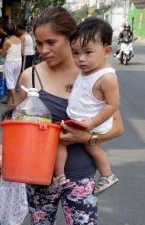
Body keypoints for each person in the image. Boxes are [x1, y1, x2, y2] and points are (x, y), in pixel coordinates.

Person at [16, 7, 123, 225]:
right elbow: (16, 124)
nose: (44, 50)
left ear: (70, 38)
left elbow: (116, 126)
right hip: (37, 176)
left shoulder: (90, 73)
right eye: (39, 43)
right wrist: (1, 162)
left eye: (52, 42)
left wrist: (84, 136)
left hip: (79, 175)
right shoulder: (29, 76)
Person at [55, 17, 120, 194]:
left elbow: (112, 105)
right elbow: (87, 88)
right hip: (81, 119)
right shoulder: (88, 71)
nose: (80, 59)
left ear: (107, 51)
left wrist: (92, 123)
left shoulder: (107, 77)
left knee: (82, 144)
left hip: (93, 123)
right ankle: (60, 176)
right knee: (66, 142)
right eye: (75, 53)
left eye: (88, 52)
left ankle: (106, 174)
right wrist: (74, 87)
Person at [1, 24, 22, 106]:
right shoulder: (19, 39)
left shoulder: (7, 41)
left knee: (10, 81)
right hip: (18, 61)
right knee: (13, 80)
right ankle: (8, 99)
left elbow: (3, 54)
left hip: (10, 61)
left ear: (6, 32)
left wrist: (0, 51)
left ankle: (14, 101)